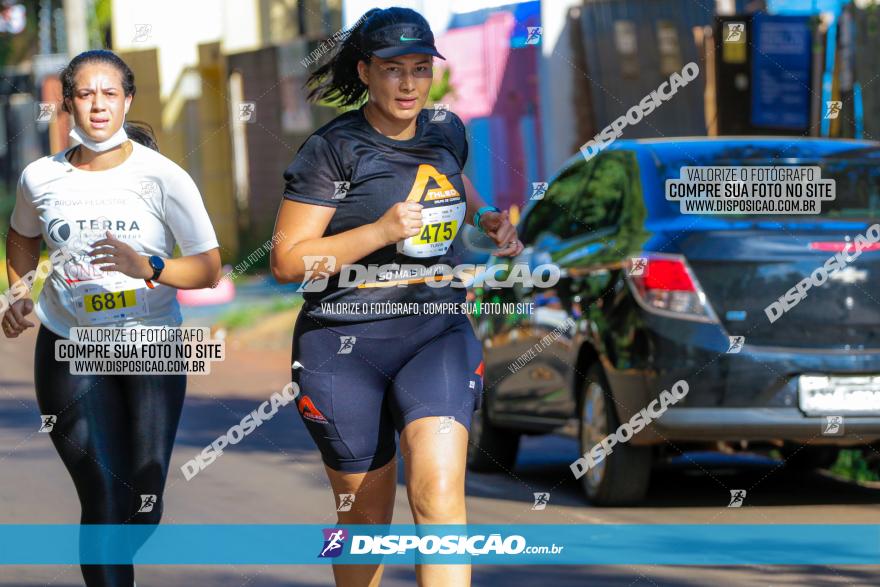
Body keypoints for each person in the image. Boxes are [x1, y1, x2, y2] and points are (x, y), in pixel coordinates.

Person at [270, 7, 523, 586]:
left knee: (438, 497)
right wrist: (381, 231)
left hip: (435, 329)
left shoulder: (445, 128)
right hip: (342, 341)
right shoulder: (331, 150)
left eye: (419, 68)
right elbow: (287, 260)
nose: (408, 84)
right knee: (366, 522)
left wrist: (485, 217)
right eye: (392, 70)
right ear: (364, 72)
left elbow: (450, 177)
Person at [3, 49, 221, 586]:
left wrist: (149, 265)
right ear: (67, 104)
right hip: (69, 346)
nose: (97, 105)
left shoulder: (164, 177)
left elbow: (209, 269)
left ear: (127, 100)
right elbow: (22, 237)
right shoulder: (40, 178)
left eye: (109, 93)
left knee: (142, 504)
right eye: (84, 93)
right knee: (103, 496)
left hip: (150, 347)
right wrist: (19, 288)